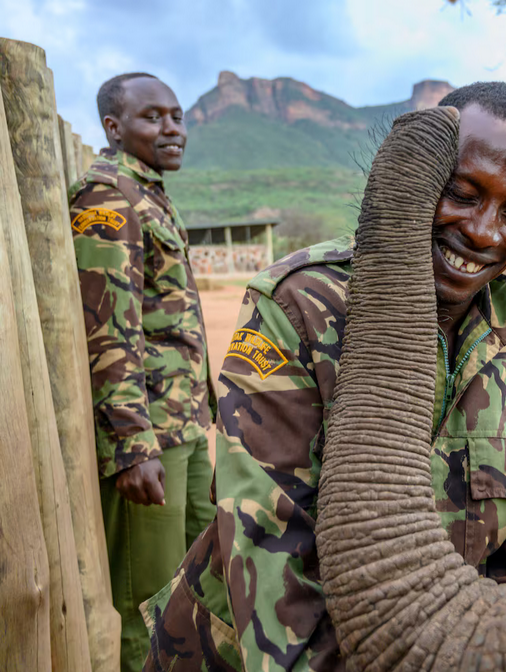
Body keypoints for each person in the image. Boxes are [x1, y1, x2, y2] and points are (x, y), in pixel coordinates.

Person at [141, 81, 506, 672]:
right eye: (461, 193)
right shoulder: (303, 306)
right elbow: (270, 551)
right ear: (425, 177)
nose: (483, 232)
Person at [69, 73, 216, 672]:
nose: (173, 128)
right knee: (146, 604)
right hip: (148, 437)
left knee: (199, 579)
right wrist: (131, 447)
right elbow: (106, 329)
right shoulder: (107, 198)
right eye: (153, 117)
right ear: (114, 126)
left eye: (177, 116)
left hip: (181, 427)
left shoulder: (148, 193)